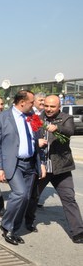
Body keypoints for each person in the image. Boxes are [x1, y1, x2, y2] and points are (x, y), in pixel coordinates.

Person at [25, 95, 83, 243]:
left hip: (61, 168)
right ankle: (29, 221)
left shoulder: (66, 118)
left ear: (59, 107)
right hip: (42, 167)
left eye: (53, 107)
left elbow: (70, 130)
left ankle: (78, 232)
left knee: (69, 198)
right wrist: (36, 142)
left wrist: (58, 128)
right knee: (33, 196)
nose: (49, 109)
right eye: (47, 106)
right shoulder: (36, 118)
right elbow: (28, 137)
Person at [0, 90, 46, 245]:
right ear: (22, 102)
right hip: (13, 163)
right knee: (20, 193)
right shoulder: (2, 118)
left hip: (30, 163)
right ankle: (6, 225)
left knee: (26, 197)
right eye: (31, 102)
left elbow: (36, 142)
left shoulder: (32, 118)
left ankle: (13, 229)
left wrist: (41, 163)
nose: (34, 104)